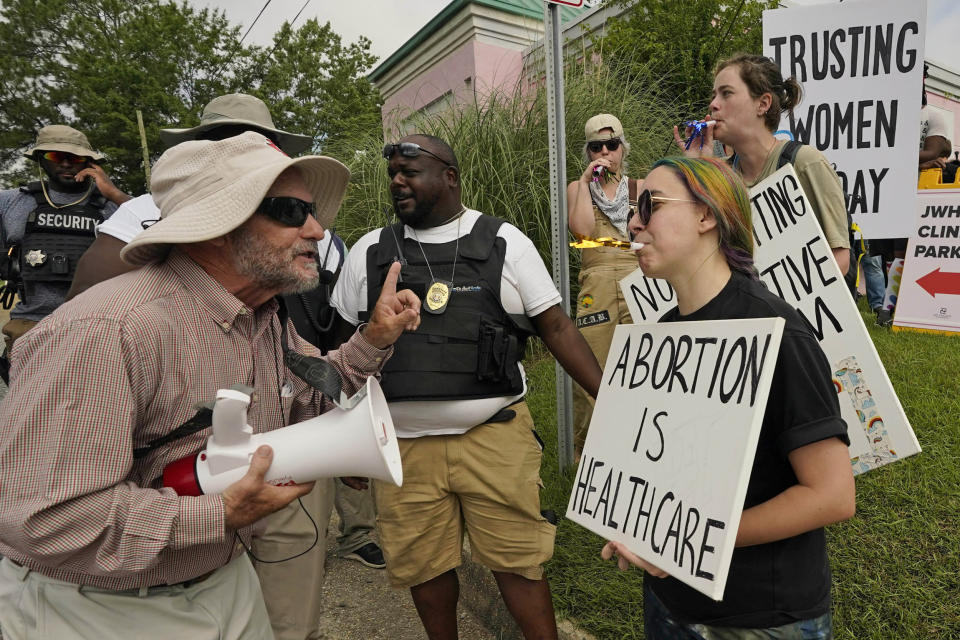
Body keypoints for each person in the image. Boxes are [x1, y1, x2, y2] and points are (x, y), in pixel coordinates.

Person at [0, 131, 420, 640]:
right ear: (221, 224)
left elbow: (310, 398)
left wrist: (375, 338)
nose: (317, 228)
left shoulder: (261, 314)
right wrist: (216, 514)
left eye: (313, 211)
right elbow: (46, 518)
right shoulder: (105, 331)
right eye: (290, 211)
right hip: (99, 609)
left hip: (222, 580)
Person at [330, 134, 603, 640]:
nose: (397, 180)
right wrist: (346, 441)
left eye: (410, 169)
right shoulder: (371, 251)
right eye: (392, 172)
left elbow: (557, 328)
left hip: (493, 437)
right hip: (402, 447)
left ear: (450, 176)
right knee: (423, 568)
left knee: (519, 562)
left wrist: (607, 401)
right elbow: (343, 348)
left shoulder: (503, 242)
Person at [600, 157, 856, 639]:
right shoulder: (661, 336)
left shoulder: (779, 334)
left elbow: (833, 495)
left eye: (649, 205)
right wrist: (634, 521)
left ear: (706, 216)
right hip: (670, 602)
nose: (633, 221)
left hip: (762, 617)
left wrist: (686, 541)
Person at [675, 53, 850, 277]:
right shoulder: (722, 176)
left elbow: (840, 259)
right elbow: (695, 247)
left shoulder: (805, 163)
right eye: (714, 95)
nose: (713, 105)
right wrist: (699, 164)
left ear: (763, 104)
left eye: (726, 93)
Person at [0, 125, 129, 356]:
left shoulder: (112, 206)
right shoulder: (11, 202)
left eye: (76, 157)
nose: (66, 164)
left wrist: (116, 194)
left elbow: (161, 225)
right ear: (41, 159)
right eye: (56, 156)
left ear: (89, 162)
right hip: (30, 325)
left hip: (96, 323)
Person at [566, 113, 641, 455]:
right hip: (595, 286)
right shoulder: (577, 189)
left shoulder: (641, 188)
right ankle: (593, 461)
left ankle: (641, 453)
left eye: (612, 145)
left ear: (623, 147)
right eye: (596, 147)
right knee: (592, 375)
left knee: (644, 368)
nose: (605, 153)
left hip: (639, 282)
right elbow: (581, 231)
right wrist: (585, 182)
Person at [869, 66, 950, 326]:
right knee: (892, 254)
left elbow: (934, 149)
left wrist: (911, 161)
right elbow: (880, 152)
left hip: (922, 196)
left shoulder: (934, 115)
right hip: (891, 191)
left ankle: (897, 309)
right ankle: (888, 309)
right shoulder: (890, 115)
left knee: (908, 253)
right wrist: (920, 162)